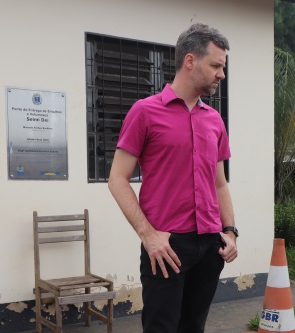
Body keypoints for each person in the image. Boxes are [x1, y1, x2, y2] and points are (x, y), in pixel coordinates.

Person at [107, 23, 238, 333]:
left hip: (209, 245)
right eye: (216, 65)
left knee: (193, 327)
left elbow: (219, 183)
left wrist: (230, 231)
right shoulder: (145, 112)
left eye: (223, 67)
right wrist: (148, 235)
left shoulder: (214, 119)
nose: (221, 74)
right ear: (190, 61)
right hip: (167, 247)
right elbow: (117, 179)